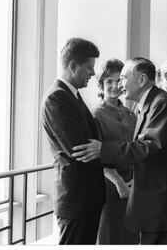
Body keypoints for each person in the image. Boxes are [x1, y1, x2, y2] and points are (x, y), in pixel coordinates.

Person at [72, 57, 167, 244]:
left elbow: (149, 146)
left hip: (164, 204)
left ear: (142, 80)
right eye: (112, 81)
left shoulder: (161, 103)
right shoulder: (150, 103)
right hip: (156, 201)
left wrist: (103, 149)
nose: (120, 84)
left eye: (123, 78)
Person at [40, 38, 105, 244]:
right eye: (89, 67)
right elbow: (78, 148)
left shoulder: (71, 95)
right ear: (73, 66)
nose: (93, 74)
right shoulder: (57, 97)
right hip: (77, 200)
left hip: (85, 198)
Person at [93, 59, 139, 244]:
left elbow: (136, 148)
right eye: (108, 81)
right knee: (110, 236)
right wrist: (119, 183)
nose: (114, 86)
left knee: (130, 236)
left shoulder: (130, 114)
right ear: (101, 84)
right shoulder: (96, 114)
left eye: (117, 80)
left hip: (133, 183)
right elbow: (96, 154)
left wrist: (135, 180)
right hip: (109, 186)